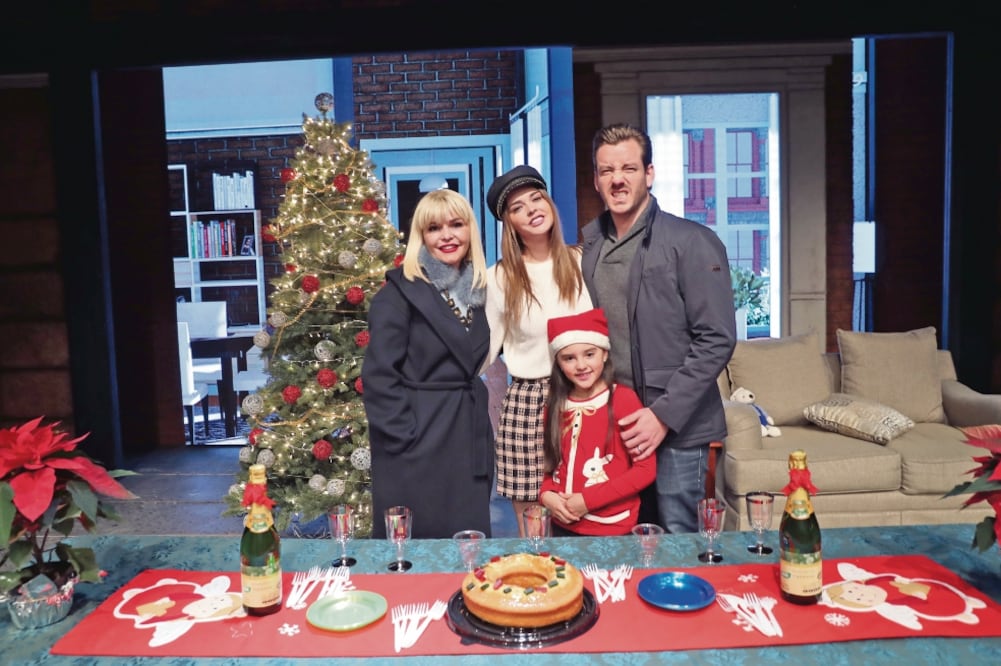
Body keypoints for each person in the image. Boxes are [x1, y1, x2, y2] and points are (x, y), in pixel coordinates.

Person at [581, 123, 736, 534]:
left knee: (678, 541)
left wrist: (663, 416)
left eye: (629, 168)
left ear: (649, 174)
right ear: (596, 180)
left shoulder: (692, 242)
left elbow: (716, 338)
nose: (617, 179)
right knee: (623, 537)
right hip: (619, 425)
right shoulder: (590, 248)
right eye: (606, 170)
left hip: (677, 427)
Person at [361, 188, 494, 540]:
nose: (447, 235)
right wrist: (407, 436)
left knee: (467, 545)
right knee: (417, 548)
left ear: (470, 231)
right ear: (421, 237)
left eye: (456, 224)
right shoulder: (397, 295)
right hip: (417, 444)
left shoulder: (476, 291)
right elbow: (378, 378)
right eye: (434, 228)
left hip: (466, 437)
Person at [483, 165, 593, 536]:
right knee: (534, 525)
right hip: (528, 401)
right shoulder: (498, 278)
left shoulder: (580, 262)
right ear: (508, 223)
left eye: (536, 197)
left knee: (584, 508)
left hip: (584, 395)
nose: (531, 209)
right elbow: (484, 349)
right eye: (517, 207)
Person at [538, 308, 656, 536]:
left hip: (614, 529)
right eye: (569, 358)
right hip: (562, 526)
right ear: (559, 363)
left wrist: (587, 501)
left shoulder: (623, 399)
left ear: (604, 354)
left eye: (589, 354)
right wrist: (546, 495)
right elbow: (550, 467)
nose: (581, 365)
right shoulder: (554, 406)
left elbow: (645, 470)